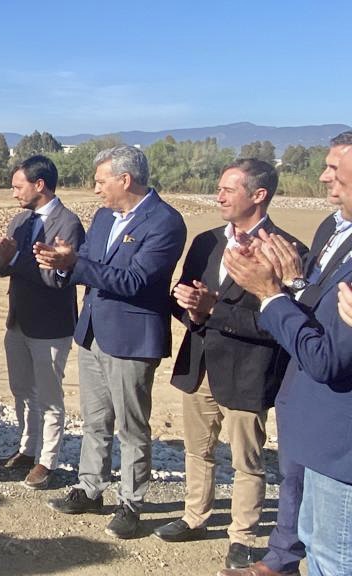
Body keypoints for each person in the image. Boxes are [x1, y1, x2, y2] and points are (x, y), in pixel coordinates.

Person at [153, 159, 306, 570]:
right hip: (200, 362)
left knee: (246, 460)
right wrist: (190, 308)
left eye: (228, 189)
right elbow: (183, 298)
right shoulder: (205, 242)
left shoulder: (285, 251)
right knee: (197, 450)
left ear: (259, 195)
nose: (218, 196)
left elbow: (279, 325)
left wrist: (212, 310)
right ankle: (194, 516)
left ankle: (242, 535)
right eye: (218, 188)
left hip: (247, 371)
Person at [218, 131, 352, 576]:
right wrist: (293, 286)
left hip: (340, 436)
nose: (322, 176)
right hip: (312, 417)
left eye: (334, 168)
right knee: (316, 543)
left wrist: (271, 295)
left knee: (334, 556)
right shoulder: (333, 227)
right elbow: (316, 310)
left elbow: (327, 357)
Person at [35, 145, 186, 539]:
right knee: (95, 420)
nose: (95, 188)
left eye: (101, 181)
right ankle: (90, 488)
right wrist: (64, 262)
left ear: (125, 179)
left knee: (132, 427)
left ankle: (131, 503)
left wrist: (75, 264)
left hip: (132, 340)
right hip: (93, 333)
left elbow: (135, 281)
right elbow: (85, 263)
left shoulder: (165, 222)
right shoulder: (103, 217)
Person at [0, 155, 84, 489]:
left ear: (39, 185)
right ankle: (26, 450)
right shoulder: (20, 222)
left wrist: (14, 259)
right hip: (18, 322)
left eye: (17, 186)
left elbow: (56, 279)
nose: (14, 194)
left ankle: (47, 460)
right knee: (22, 390)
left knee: (50, 398)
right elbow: (8, 269)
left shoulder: (68, 224)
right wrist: (0, 260)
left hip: (50, 326)